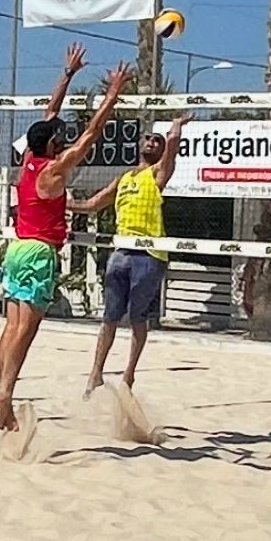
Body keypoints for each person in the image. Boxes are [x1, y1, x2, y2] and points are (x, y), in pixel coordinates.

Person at [0, 47, 131, 431]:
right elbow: (91, 133)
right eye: (58, 137)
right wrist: (113, 95)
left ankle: (4, 390)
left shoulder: (29, 161)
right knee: (27, 329)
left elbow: (48, 114)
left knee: (10, 327)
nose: (61, 136)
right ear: (52, 145)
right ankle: (5, 391)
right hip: (38, 252)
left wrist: (67, 74)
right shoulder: (53, 171)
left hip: (17, 247)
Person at [72, 114, 188, 394]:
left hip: (148, 254)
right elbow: (91, 205)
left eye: (155, 141)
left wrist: (175, 125)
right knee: (110, 316)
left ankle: (129, 374)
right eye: (147, 139)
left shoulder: (158, 174)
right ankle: (96, 373)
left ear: (161, 151)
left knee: (137, 317)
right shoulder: (124, 178)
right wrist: (60, 203)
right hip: (122, 251)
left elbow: (172, 143)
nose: (150, 142)